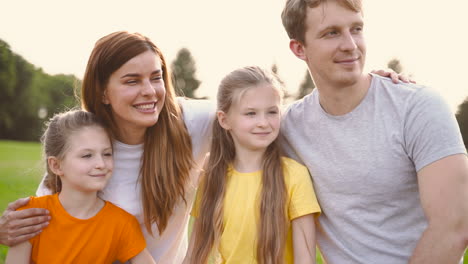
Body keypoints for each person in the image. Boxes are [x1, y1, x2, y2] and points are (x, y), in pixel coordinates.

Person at [0, 30, 411, 263]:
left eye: (156, 76)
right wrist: (9, 228)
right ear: (102, 92)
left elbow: (264, 110)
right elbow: (39, 229)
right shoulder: (82, 149)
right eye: (131, 81)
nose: (150, 91)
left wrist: (359, 87)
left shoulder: (191, 122)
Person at [280, 0, 468, 263]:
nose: (350, 45)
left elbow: (453, 228)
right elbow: (220, 122)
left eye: (356, 29)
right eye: (331, 32)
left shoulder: (418, 107)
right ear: (299, 48)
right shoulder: (287, 127)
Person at [183, 66, 321, 264]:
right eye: (251, 114)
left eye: (272, 112)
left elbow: (305, 259)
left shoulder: (294, 176)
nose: (263, 122)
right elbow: (194, 254)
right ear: (224, 119)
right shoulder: (212, 173)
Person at [5, 110, 155, 264]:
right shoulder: (30, 217)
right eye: (87, 155)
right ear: (56, 165)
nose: (101, 164)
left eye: (107, 154)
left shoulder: (122, 224)